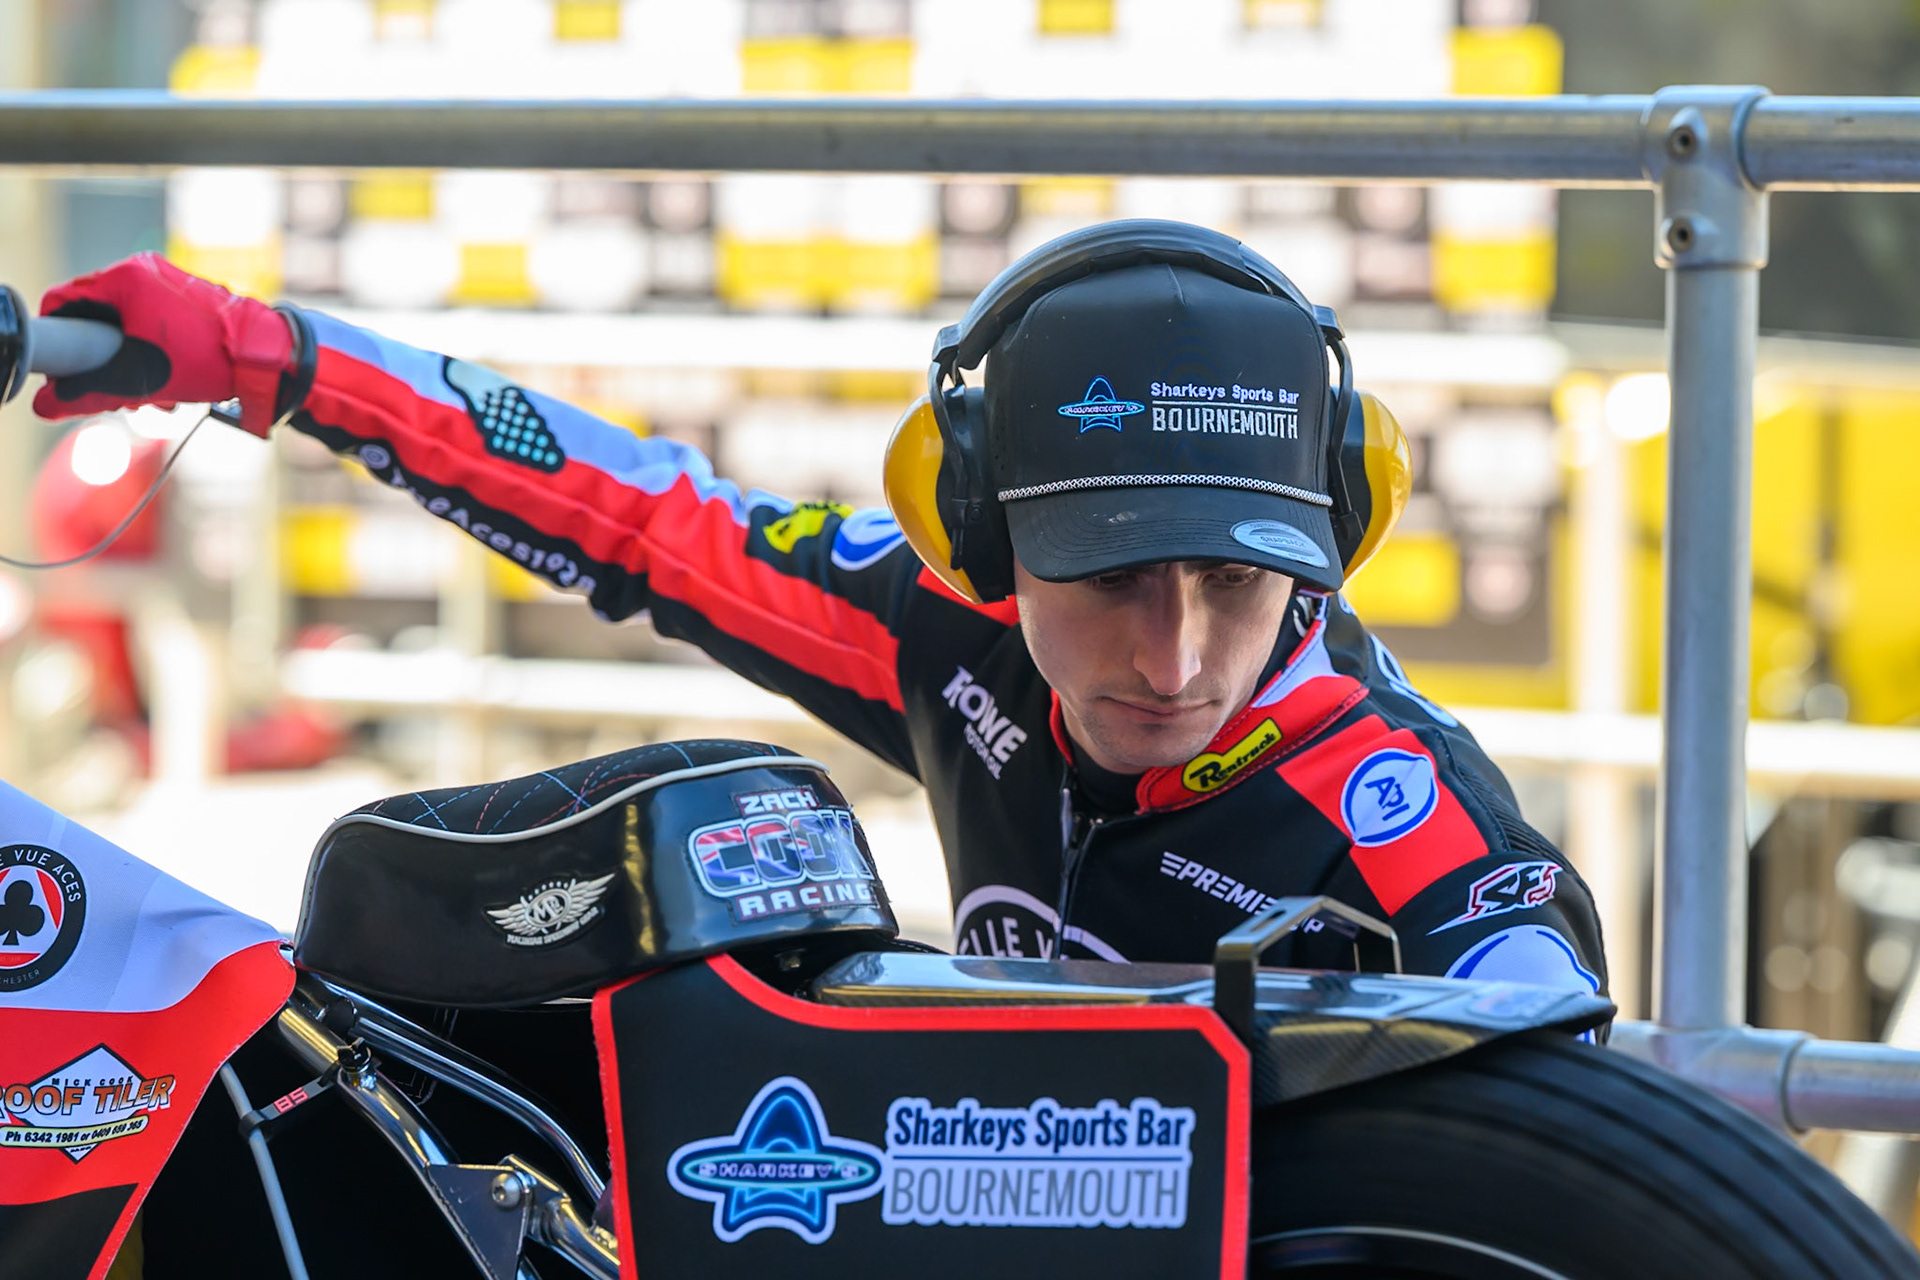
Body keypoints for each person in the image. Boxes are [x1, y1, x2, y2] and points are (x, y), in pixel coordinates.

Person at [30, 220, 1605, 991]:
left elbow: (1589, 1122)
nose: (1177, 654)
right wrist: (273, 359)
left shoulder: (1418, 820)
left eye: (1243, 582)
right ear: (973, 527)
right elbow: (632, 511)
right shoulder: (939, 626)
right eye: (1112, 574)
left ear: (1334, 530)